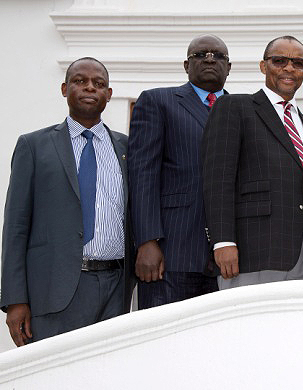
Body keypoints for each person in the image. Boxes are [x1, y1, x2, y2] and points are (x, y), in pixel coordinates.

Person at [0, 57, 134, 345]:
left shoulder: (127, 148)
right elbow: (15, 227)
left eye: (99, 84)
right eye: (80, 81)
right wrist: (14, 300)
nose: (90, 88)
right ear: (64, 89)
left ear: (108, 95)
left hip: (115, 288)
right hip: (53, 290)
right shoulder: (33, 146)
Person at [201, 36, 303, 289]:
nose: (289, 68)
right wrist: (223, 241)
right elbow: (218, 178)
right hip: (252, 253)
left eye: (298, 63)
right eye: (279, 61)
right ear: (263, 66)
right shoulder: (234, 107)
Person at [128, 34, 230, 308]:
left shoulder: (241, 110)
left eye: (218, 56)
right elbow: (142, 175)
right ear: (186, 65)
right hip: (170, 254)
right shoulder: (157, 102)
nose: (210, 59)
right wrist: (147, 241)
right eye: (201, 55)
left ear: (229, 68)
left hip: (226, 260)